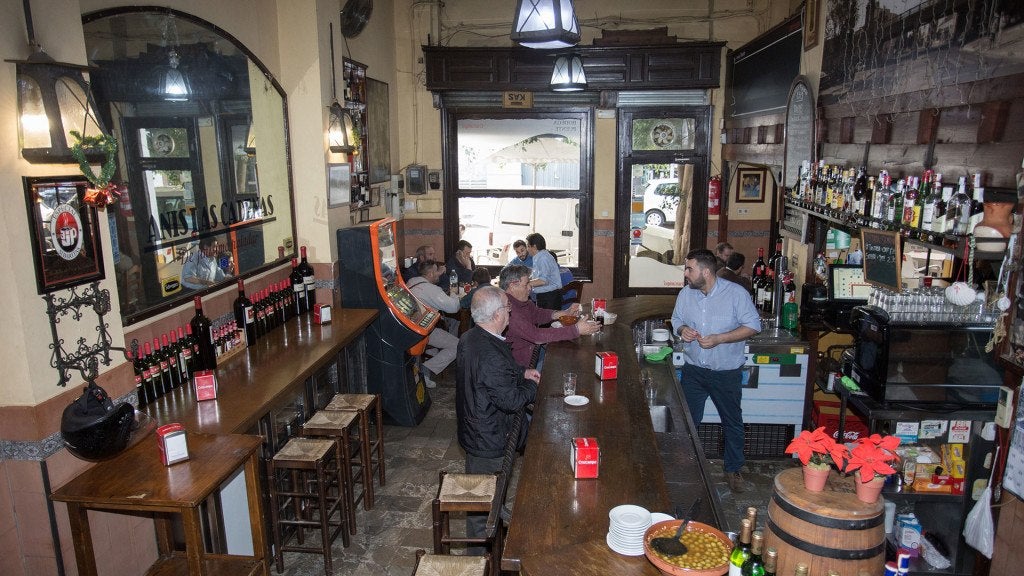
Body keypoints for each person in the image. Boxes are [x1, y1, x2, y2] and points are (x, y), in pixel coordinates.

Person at [671, 249, 761, 493]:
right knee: (688, 422)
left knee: (733, 423)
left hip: (726, 373)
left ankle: (733, 470)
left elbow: (753, 326)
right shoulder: (686, 294)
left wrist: (721, 338)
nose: (686, 274)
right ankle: (689, 467)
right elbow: (676, 319)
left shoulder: (736, 294)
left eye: (689, 269)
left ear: (706, 272)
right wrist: (682, 330)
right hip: (694, 372)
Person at [456, 285, 539, 546]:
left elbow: (496, 372)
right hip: (488, 439)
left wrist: (521, 373)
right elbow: (511, 400)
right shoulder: (489, 352)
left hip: (475, 429)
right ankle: (481, 560)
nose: (510, 311)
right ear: (495, 316)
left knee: (489, 496)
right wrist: (532, 386)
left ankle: (497, 514)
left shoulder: (471, 337)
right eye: (507, 307)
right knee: (482, 514)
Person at [500, 264, 601, 368]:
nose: (530, 288)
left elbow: (537, 314)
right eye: (526, 285)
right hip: (525, 366)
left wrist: (563, 313)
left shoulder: (519, 301)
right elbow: (536, 336)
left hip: (535, 352)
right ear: (512, 286)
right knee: (572, 363)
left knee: (571, 356)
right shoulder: (508, 310)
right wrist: (576, 330)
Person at [406, 260, 461, 387]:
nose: (439, 274)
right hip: (422, 332)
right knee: (458, 345)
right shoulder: (430, 289)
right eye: (437, 272)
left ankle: (425, 364)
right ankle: (425, 371)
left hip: (410, 328)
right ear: (431, 273)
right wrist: (454, 294)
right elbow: (453, 308)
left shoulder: (411, 282)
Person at [525, 233, 563, 310]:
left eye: (528, 246)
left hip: (550, 297)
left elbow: (542, 281)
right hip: (547, 295)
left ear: (534, 246)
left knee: (547, 321)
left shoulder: (543, 258)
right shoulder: (539, 256)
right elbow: (537, 275)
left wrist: (526, 283)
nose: (527, 249)